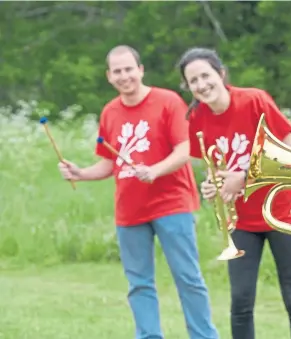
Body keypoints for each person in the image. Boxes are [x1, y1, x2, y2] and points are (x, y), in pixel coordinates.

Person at [57, 45, 219, 339]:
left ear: (140, 70)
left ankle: (204, 336)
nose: (124, 76)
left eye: (129, 69)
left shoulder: (168, 101)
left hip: (173, 204)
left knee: (188, 278)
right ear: (109, 76)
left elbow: (186, 149)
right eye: (117, 71)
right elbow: (109, 162)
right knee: (139, 284)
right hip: (130, 211)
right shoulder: (109, 112)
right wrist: (80, 172)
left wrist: (156, 170)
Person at [177, 47, 291, 339]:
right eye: (193, 80)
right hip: (242, 220)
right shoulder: (196, 117)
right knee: (240, 301)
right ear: (187, 87)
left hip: (281, 211)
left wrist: (244, 177)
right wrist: (211, 185)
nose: (201, 84)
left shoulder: (253, 100)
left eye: (205, 75)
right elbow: (211, 166)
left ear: (221, 74)